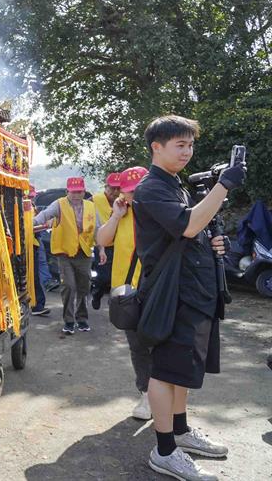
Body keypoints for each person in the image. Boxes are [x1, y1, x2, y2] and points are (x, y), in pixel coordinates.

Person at [132, 116, 245, 481]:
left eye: (190, 145)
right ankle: (164, 450)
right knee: (165, 372)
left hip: (190, 291)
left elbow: (191, 232)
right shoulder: (151, 188)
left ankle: (179, 431)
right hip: (170, 295)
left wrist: (214, 242)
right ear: (157, 147)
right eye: (180, 144)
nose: (188, 151)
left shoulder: (175, 185)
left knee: (182, 369)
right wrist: (224, 185)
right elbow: (187, 224)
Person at [96, 166, 152, 419]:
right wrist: (117, 215)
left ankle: (166, 396)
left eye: (135, 191)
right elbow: (102, 239)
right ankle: (146, 394)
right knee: (137, 345)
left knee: (162, 344)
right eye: (126, 192)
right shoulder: (122, 211)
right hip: (128, 292)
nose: (130, 196)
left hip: (158, 289)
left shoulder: (161, 210)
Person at [33, 177, 107, 334]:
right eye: (72, 192)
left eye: (79, 192)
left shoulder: (91, 207)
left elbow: (97, 230)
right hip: (65, 253)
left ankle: (82, 319)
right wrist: (29, 222)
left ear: (83, 192)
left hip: (85, 253)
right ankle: (68, 320)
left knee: (84, 287)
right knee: (69, 286)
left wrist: (101, 250)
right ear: (67, 192)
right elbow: (45, 215)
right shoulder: (59, 204)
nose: (75, 195)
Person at [90, 173, 122, 309]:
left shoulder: (123, 200)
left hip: (120, 244)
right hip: (102, 244)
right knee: (104, 277)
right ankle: (97, 293)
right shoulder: (94, 200)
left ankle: (116, 305)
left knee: (119, 277)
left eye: (118, 189)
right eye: (112, 188)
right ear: (106, 187)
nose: (115, 192)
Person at [28, 186, 50, 316]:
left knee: (36, 275)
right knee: (33, 277)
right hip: (28, 244)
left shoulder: (32, 206)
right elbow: (27, 227)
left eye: (32, 196)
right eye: (30, 196)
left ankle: (37, 304)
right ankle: (36, 305)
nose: (32, 198)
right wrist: (43, 226)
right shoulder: (24, 206)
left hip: (34, 242)